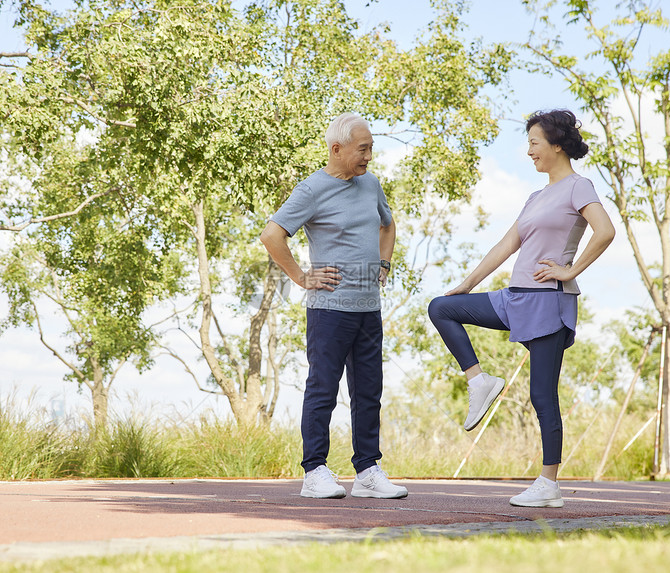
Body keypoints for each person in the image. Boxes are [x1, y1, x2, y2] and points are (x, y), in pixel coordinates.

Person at [428, 109, 615, 508]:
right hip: (514, 297)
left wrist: (570, 270)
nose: (529, 151)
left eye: (534, 143)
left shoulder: (578, 187)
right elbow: (505, 245)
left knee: (542, 396)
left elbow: (606, 231)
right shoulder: (536, 196)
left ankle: (548, 484)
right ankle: (479, 381)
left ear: (557, 145)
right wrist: (466, 285)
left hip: (548, 302)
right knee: (442, 309)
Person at [260, 112, 407, 500]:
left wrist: (384, 262)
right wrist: (302, 277)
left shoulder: (370, 184)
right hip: (329, 310)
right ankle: (314, 472)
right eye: (363, 149)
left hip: (368, 307)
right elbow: (272, 235)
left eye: (371, 148)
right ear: (336, 149)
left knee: (368, 392)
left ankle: (367, 472)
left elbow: (387, 225)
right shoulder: (311, 190)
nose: (369, 157)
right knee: (323, 389)